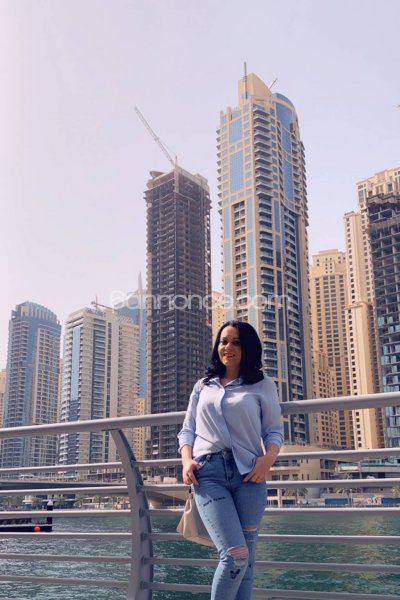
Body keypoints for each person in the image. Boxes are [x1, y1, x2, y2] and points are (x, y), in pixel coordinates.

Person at [178, 320, 283, 600]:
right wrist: (186, 460)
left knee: (246, 561)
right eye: (224, 341)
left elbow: (273, 430)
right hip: (208, 475)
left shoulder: (262, 385)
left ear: (248, 347)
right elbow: (187, 429)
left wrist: (268, 459)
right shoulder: (203, 386)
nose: (228, 347)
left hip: (249, 475)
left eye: (236, 342)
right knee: (235, 555)